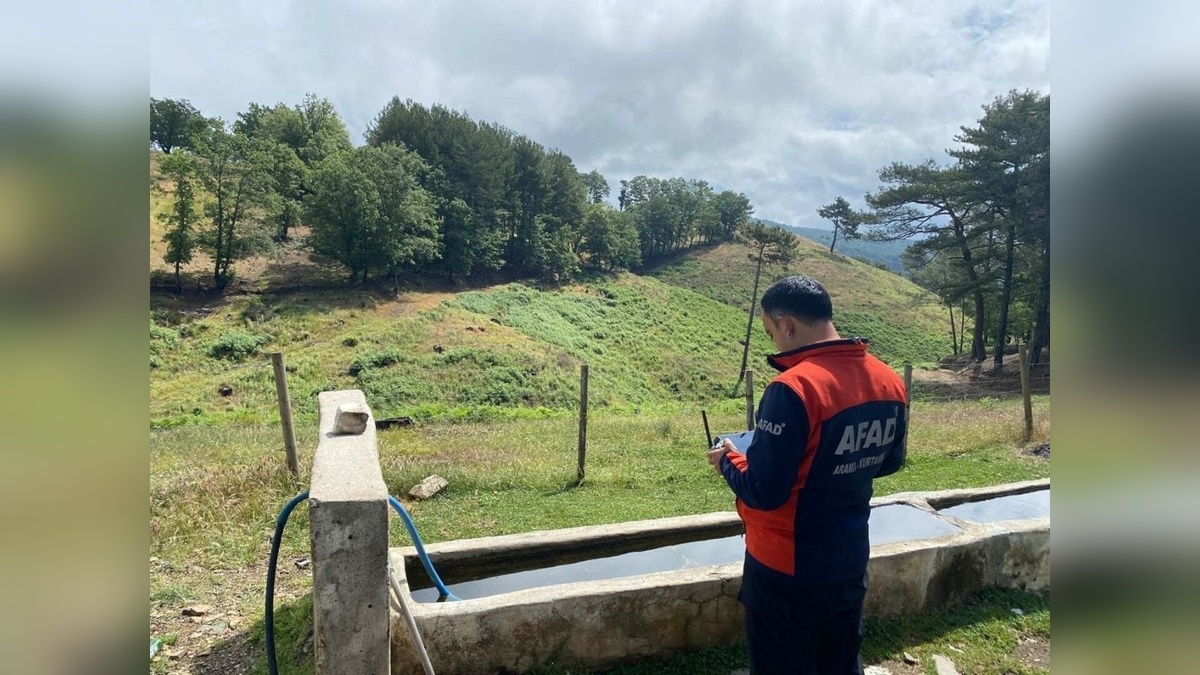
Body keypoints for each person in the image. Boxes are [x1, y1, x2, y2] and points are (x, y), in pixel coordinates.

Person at [707, 275, 908, 675]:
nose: (775, 342)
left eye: (770, 332)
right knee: (839, 661)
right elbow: (889, 462)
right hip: (849, 557)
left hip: (785, 566)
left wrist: (728, 459)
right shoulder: (889, 380)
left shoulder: (793, 387)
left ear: (787, 324)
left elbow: (764, 491)